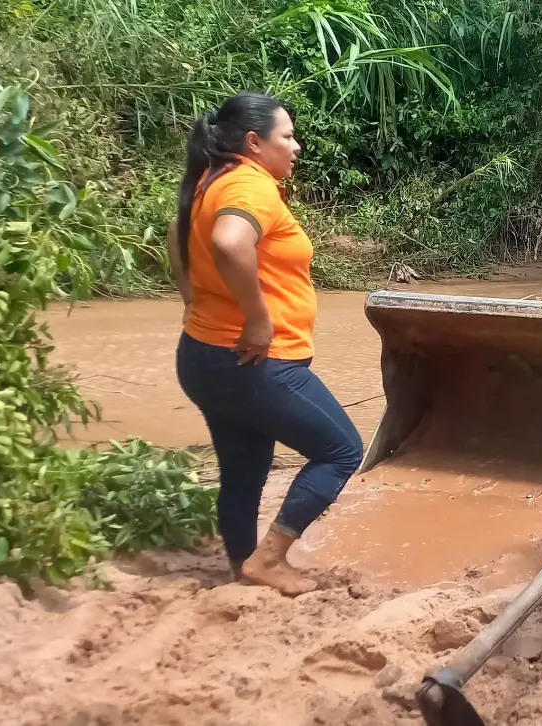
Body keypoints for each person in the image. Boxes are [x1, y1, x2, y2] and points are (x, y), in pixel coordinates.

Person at [166, 92, 364, 597]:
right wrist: (257, 320)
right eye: (287, 137)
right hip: (255, 361)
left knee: (243, 469)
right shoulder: (250, 186)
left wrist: (193, 300)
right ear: (255, 143)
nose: (296, 147)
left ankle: (241, 566)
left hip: (204, 355)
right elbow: (230, 242)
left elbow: (176, 233)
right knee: (341, 450)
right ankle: (269, 560)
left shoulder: (210, 182)